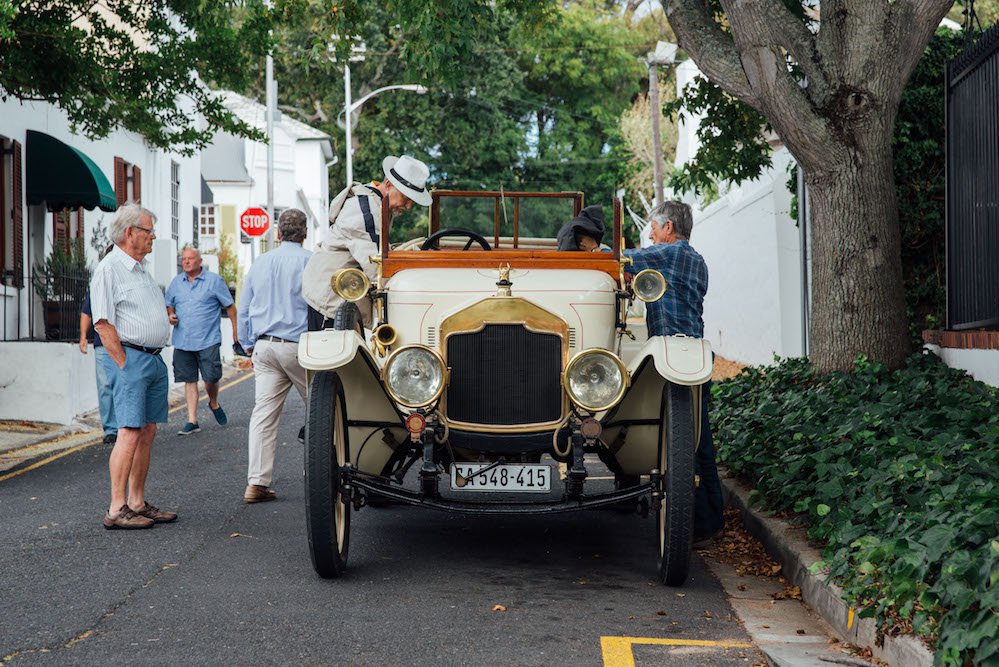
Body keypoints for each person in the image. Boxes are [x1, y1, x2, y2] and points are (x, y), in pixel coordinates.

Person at [622, 200, 724, 543]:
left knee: (686, 444)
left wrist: (593, 248)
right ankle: (711, 521)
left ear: (669, 227)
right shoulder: (695, 260)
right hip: (694, 356)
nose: (650, 232)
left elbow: (626, 259)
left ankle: (703, 524)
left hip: (676, 359)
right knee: (700, 444)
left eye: (654, 225)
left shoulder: (674, 254)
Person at [90, 203, 177, 530]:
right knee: (128, 431)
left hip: (152, 359)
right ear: (130, 233)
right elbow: (103, 323)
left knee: (147, 430)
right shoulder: (109, 269)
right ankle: (116, 508)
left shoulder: (140, 268)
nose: (153, 236)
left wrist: (162, 320)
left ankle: (137, 502)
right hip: (132, 360)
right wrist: (125, 365)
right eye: (148, 230)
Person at [302, 154, 432, 331]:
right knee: (335, 354)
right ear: (388, 185)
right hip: (329, 297)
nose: (409, 206)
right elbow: (375, 263)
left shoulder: (376, 204)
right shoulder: (365, 210)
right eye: (406, 197)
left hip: (341, 292)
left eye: (412, 201)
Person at [237, 209, 312, 503]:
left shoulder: (260, 262)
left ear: (278, 234)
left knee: (263, 416)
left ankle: (256, 483)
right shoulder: (311, 262)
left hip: (265, 346)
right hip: (300, 347)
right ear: (305, 233)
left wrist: (247, 343)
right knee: (324, 412)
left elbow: (244, 307)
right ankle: (331, 474)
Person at [165, 247, 237, 435]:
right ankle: (192, 420)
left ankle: (213, 402)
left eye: (190, 259)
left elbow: (230, 307)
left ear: (199, 261)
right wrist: (171, 314)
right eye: (184, 259)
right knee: (189, 380)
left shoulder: (214, 281)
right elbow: (169, 304)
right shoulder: (176, 283)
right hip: (183, 341)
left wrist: (236, 333)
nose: (186, 262)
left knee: (211, 378)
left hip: (208, 340)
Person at [79, 245, 118, 445]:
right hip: (102, 342)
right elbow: (87, 310)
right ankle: (111, 429)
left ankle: (127, 424)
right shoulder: (98, 282)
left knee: (126, 384)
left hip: (127, 342)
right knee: (105, 385)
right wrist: (83, 336)